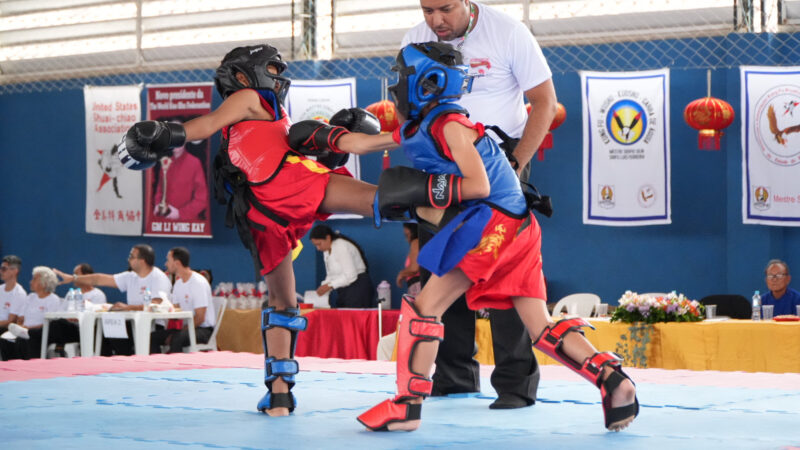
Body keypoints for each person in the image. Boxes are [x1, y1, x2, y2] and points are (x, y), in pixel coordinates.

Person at [300, 41, 637, 432]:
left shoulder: (451, 124)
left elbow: (476, 185)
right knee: (540, 326)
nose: (396, 86)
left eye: (402, 77)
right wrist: (322, 138)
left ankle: (406, 405)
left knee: (424, 307)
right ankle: (613, 379)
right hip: (517, 225)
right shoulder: (422, 125)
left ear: (426, 82)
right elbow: (367, 142)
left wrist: (424, 189)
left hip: (490, 222)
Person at [116, 43, 394, 416]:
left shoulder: (270, 113)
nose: (279, 77)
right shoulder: (249, 97)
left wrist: (331, 149)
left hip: (263, 212)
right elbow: (206, 125)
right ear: (246, 74)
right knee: (385, 200)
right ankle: (448, 194)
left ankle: (279, 396)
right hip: (286, 188)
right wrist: (164, 134)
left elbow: (264, 145)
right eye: (273, 69)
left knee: (282, 302)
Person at [400, 0, 558, 409]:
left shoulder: (508, 32)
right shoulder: (413, 40)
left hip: (500, 167)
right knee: (441, 266)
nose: (436, 20)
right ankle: (453, 377)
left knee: (507, 275)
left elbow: (543, 101)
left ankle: (515, 385)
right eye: (427, 10)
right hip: (442, 172)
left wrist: (517, 163)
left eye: (445, 9)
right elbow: (410, 111)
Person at [53, 244, 172, 355]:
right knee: (103, 328)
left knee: (116, 329)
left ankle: (128, 360)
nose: (128, 259)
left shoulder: (158, 277)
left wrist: (128, 308)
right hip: (132, 321)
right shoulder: (130, 277)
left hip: (152, 324)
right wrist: (73, 278)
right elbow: (99, 279)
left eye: (131, 256)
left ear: (142, 260)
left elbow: (156, 304)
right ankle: (108, 365)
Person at [151, 247, 215, 353]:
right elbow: (176, 314)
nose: (165, 264)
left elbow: (200, 318)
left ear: (176, 263)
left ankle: (177, 368)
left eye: (168, 260)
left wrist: (181, 331)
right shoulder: (178, 284)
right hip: (187, 328)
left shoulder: (198, 283)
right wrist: (162, 307)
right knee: (153, 337)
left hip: (203, 330)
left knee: (177, 338)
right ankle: (158, 367)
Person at [151, 115, 209, 221]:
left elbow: (202, 199)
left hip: (187, 223)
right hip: (165, 222)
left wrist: (180, 214)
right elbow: (160, 189)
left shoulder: (195, 163)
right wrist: (157, 205)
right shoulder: (165, 163)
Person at [0, 266, 61, 360]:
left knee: (26, 339)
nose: (30, 282)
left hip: (39, 333)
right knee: (5, 340)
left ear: (44, 282)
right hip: (24, 331)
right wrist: (21, 327)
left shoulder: (53, 300)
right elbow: (20, 319)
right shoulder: (30, 297)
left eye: (34, 279)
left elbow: (50, 324)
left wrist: (29, 329)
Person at [48, 263, 108, 357]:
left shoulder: (98, 295)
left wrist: (78, 319)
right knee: (55, 324)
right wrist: (68, 318)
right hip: (71, 329)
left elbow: (98, 317)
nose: (73, 277)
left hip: (88, 331)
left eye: (76, 274)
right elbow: (60, 313)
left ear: (87, 276)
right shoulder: (71, 293)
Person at [309, 224, 374, 308]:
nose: (318, 248)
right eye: (315, 245)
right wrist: (324, 286)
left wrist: (329, 286)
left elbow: (351, 276)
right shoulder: (326, 251)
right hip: (344, 290)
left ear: (328, 238)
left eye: (319, 244)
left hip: (358, 288)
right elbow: (331, 275)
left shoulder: (341, 246)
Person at [0, 255, 27, 336]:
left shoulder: (19, 293)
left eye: (4, 269)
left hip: (5, 330)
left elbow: (10, 321)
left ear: (15, 271)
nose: (1, 271)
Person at [396, 223, 421, 297]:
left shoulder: (416, 242)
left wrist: (401, 274)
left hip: (417, 286)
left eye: (407, 235)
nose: (407, 239)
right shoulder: (419, 242)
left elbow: (414, 268)